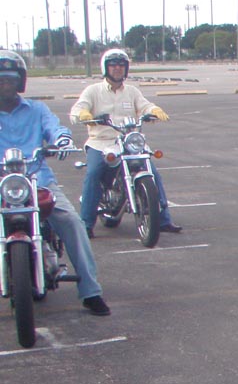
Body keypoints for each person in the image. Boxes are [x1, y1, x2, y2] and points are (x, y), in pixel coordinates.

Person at [0, 50, 109, 315]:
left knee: (72, 221)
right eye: (1, 79)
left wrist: (62, 139)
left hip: (38, 180)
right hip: (3, 184)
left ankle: (91, 291)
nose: (5, 83)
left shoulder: (37, 109)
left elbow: (55, 127)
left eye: (10, 78)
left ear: (20, 81)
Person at [69, 48, 180, 236]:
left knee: (153, 173)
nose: (117, 68)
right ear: (105, 68)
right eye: (113, 65)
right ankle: (86, 224)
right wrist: (84, 114)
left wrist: (154, 110)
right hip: (101, 142)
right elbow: (77, 110)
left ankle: (163, 220)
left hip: (128, 141)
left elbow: (144, 105)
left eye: (121, 65)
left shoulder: (132, 91)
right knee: (94, 173)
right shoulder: (93, 91)